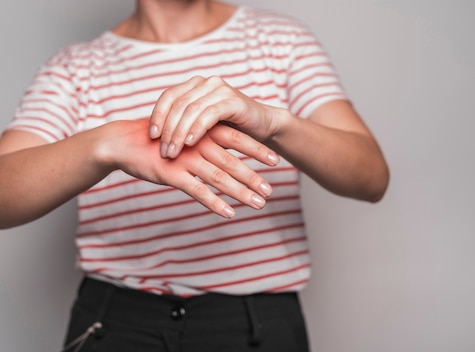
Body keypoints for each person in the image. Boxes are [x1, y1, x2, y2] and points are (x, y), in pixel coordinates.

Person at [0, 0, 389, 351]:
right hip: (115, 323)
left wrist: (273, 123)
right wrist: (104, 145)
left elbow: (371, 178)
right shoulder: (75, 68)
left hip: (256, 324)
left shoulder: (280, 41)